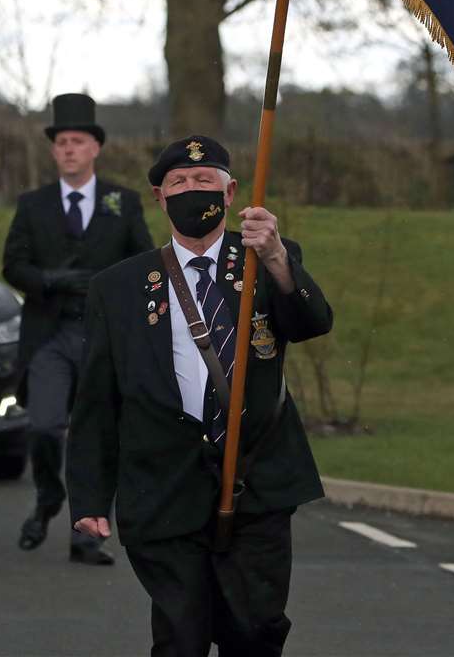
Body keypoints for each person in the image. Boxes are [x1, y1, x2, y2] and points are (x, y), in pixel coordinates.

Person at [67, 135, 333, 656]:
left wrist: (277, 255)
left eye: (205, 180)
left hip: (258, 483)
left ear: (231, 192)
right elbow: (98, 399)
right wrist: (91, 495)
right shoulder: (117, 287)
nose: (193, 190)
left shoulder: (265, 261)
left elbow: (311, 323)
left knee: (254, 631)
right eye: (179, 183)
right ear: (159, 198)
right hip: (162, 486)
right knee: (180, 638)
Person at [3, 93, 153, 565]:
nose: (69, 149)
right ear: (53, 151)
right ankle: (49, 496)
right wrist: (50, 279)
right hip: (50, 334)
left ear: (95, 148)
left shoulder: (122, 203)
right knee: (44, 426)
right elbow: (13, 265)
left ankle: (87, 533)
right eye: (61, 141)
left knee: (99, 436)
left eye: (78, 141)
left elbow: (145, 263)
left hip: (101, 337)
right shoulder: (33, 205)